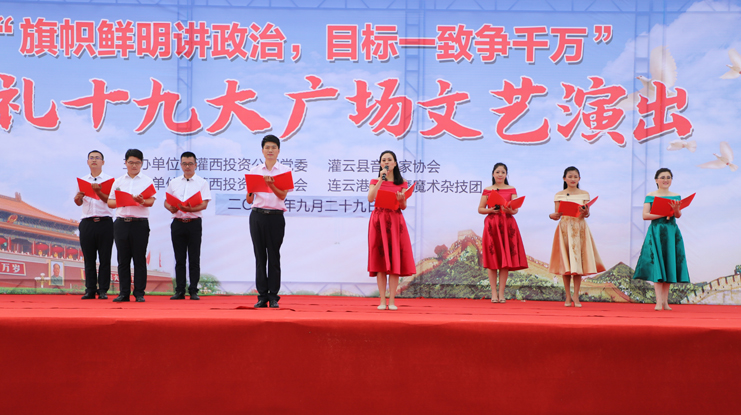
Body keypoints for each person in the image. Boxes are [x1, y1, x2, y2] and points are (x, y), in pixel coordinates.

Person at [632, 168, 690, 311]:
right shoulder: (651, 195)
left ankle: (665, 302)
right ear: (656, 180)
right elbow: (645, 215)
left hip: (671, 232)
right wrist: (663, 214)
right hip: (657, 232)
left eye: (668, 177)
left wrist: (675, 210)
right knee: (658, 266)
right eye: (662, 177)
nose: (666, 180)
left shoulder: (676, 196)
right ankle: (658, 301)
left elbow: (678, 215)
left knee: (669, 265)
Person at [548, 166, 605, 307]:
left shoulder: (584, 194)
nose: (573, 179)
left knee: (578, 262)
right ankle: (568, 296)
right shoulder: (559, 195)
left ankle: (576, 295)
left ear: (579, 179)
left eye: (575, 176)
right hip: (565, 228)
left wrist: (585, 211)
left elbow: (587, 214)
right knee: (566, 263)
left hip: (580, 228)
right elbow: (557, 215)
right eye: (570, 176)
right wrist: (551, 215)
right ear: (564, 178)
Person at [246, 135, 291, 309]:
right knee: (259, 256)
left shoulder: (284, 171)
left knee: (273, 256)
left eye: (273, 147)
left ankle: (273, 296)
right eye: (267, 147)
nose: (270, 150)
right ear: (262, 150)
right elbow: (249, 200)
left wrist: (271, 185)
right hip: (257, 216)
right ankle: (262, 296)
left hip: (275, 217)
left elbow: (282, 195)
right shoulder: (255, 170)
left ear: (278, 150)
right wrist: (250, 190)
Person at [367, 150, 415, 311]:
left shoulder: (402, 183)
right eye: (383, 160)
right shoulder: (375, 180)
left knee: (395, 259)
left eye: (389, 159)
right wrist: (381, 180)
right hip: (378, 220)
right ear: (380, 164)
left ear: (395, 163)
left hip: (395, 220)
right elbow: (370, 198)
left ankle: (392, 300)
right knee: (380, 260)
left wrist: (401, 200)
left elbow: (403, 206)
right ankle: (382, 300)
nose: (386, 162)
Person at [107, 149, 155, 302]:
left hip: (140, 224)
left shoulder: (147, 181)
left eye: (137, 163)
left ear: (142, 163)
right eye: (131, 162)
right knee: (123, 260)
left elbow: (151, 201)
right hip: (121, 223)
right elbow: (110, 202)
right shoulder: (118, 181)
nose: (134, 165)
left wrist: (141, 201)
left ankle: (139, 293)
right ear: (125, 163)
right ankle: (124, 293)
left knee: (139, 259)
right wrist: (124, 201)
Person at [478, 163, 528, 303]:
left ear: (506, 175)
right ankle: (493, 293)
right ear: (493, 174)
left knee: (505, 260)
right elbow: (480, 209)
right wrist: (490, 210)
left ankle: (501, 293)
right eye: (497, 172)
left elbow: (515, 209)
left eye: (503, 172)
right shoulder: (487, 190)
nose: (500, 174)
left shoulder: (511, 189)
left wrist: (509, 210)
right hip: (492, 225)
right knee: (492, 259)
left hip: (507, 224)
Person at [164, 151, 211, 300]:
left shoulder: (202, 183)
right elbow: (166, 201)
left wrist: (190, 209)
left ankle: (193, 290)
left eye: (190, 163)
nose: (187, 166)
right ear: (180, 165)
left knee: (194, 258)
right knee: (179, 259)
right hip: (178, 223)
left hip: (194, 223)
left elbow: (204, 204)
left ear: (196, 165)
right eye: (184, 163)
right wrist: (170, 207)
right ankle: (179, 290)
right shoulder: (174, 182)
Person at [74, 150, 115, 299]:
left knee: (105, 258)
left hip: (105, 222)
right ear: (87, 162)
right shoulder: (83, 181)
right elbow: (79, 202)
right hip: (87, 222)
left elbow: (111, 203)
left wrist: (98, 192)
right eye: (91, 158)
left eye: (97, 158)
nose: (94, 160)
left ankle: (103, 289)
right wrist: (77, 198)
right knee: (89, 258)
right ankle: (90, 289)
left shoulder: (110, 181)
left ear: (103, 162)